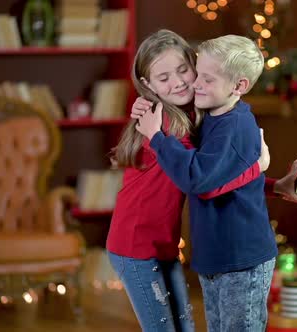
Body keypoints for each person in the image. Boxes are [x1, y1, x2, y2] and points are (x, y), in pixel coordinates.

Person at [107, 30, 271, 332]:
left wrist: (263, 176)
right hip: (136, 245)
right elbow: (200, 181)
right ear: (147, 85)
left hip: (163, 244)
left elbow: (217, 172)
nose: (180, 82)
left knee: (184, 326)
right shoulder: (163, 124)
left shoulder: (194, 115)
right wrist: (256, 169)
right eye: (164, 77)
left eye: (184, 69)